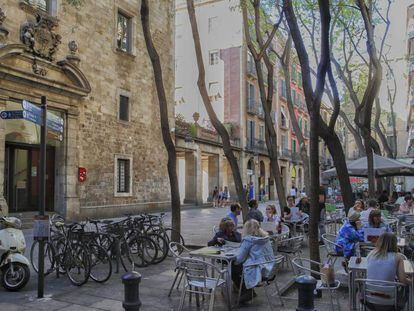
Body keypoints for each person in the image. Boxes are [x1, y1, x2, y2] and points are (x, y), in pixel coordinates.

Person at [232, 219, 275, 302]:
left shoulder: (248, 240)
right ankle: (245, 290)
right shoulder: (265, 238)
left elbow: (239, 258)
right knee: (240, 265)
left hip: (258, 271)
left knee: (233, 266)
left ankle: (247, 291)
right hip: (269, 269)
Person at [366, 233, 410, 311]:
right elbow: (403, 281)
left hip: (369, 300)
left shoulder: (371, 254)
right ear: (394, 243)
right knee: (407, 287)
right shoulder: (398, 257)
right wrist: (410, 281)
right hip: (389, 301)